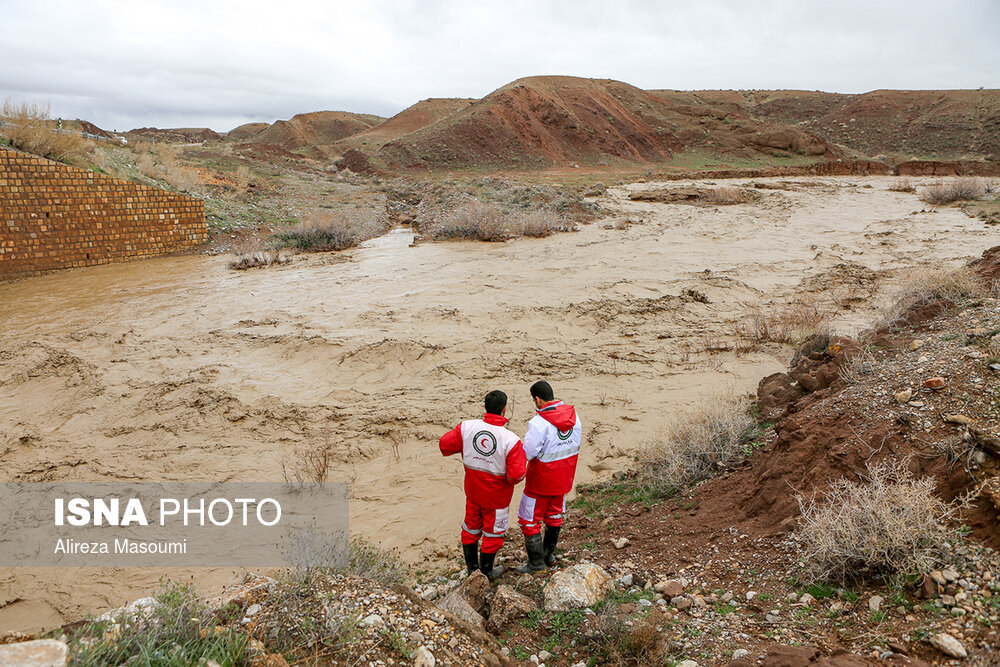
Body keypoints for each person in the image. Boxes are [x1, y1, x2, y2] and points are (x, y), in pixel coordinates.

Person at [439, 390, 526, 579]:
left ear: (484, 407)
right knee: (493, 534)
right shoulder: (511, 440)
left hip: (473, 493)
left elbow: (444, 445)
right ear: (504, 410)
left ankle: (472, 570)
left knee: (470, 529)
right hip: (497, 498)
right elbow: (517, 475)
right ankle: (486, 571)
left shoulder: (466, 428)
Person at [516, 380, 582, 573]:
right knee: (554, 516)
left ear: (537, 399)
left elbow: (527, 453)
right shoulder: (574, 416)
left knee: (529, 519)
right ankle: (548, 555)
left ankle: (536, 564)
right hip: (564, 478)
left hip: (541, 481)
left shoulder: (539, 423)